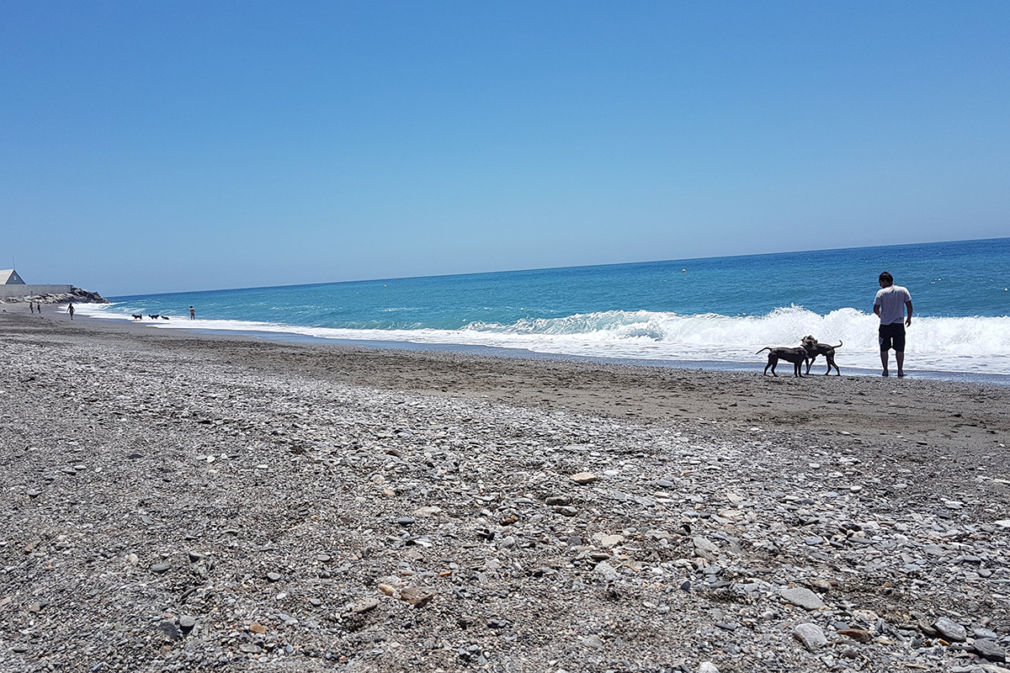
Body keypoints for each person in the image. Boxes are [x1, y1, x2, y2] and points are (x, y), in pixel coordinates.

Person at [873, 271, 913, 377]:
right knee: (900, 348)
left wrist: (879, 315)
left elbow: (875, 308)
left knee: (884, 348)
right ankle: (900, 371)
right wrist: (909, 318)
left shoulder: (881, 293)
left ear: (884, 281)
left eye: (880, 282)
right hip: (899, 324)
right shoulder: (903, 290)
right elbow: (909, 305)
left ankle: (885, 370)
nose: (880, 284)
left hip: (885, 324)